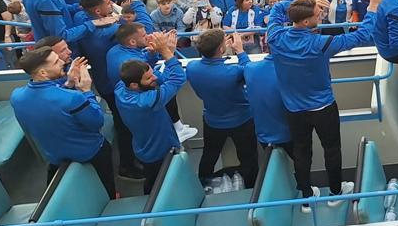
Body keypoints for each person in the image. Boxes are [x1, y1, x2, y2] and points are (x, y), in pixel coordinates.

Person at [267, 0, 376, 203]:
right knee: (332, 149)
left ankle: (306, 196)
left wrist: (302, 0)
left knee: (301, 151)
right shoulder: (321, 43)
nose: (322, 14)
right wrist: (372, 8)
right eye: (318, 13)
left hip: (293, 109)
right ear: (307, 22)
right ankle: (336, 192)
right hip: (323, 107)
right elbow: (360, 36)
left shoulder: (275, 37)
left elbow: (276, 10)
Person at [11, 46, 115, 198]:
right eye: (55, 62)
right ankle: (110, 196)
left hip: (54, 154)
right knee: (105, 166)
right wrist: (87, 91)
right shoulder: (74, 98)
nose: (62, 62)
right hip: (89, 151)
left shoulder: (16, 96)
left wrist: (68, 84)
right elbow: (96, 122)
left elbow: (50, 102)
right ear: (42, 73)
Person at [114, 31, 185, 192]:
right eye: (149, 78)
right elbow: (177, 79)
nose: (154, 78)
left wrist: (152, 54)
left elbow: (148, 70)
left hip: (143, 147)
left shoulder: (121, 87)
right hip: (159, 152)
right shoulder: (145, 102)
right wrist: (167, 53)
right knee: (157, 183)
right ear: (134, 85)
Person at [185, 29, 257, 189]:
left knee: (209, 155)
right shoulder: (232, 72)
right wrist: (240, 51)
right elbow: (251, 73)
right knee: (248, 157)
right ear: (221, 50)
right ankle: (251, 187)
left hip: (212, 120)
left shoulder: (191, 67)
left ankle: (203, 183)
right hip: (241, 121)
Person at [244, 39, 292, 152]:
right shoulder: (294, 69)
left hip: (264, 137)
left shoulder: (250, 69)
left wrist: (241, 53)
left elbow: (246, 66)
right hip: (291, 134)